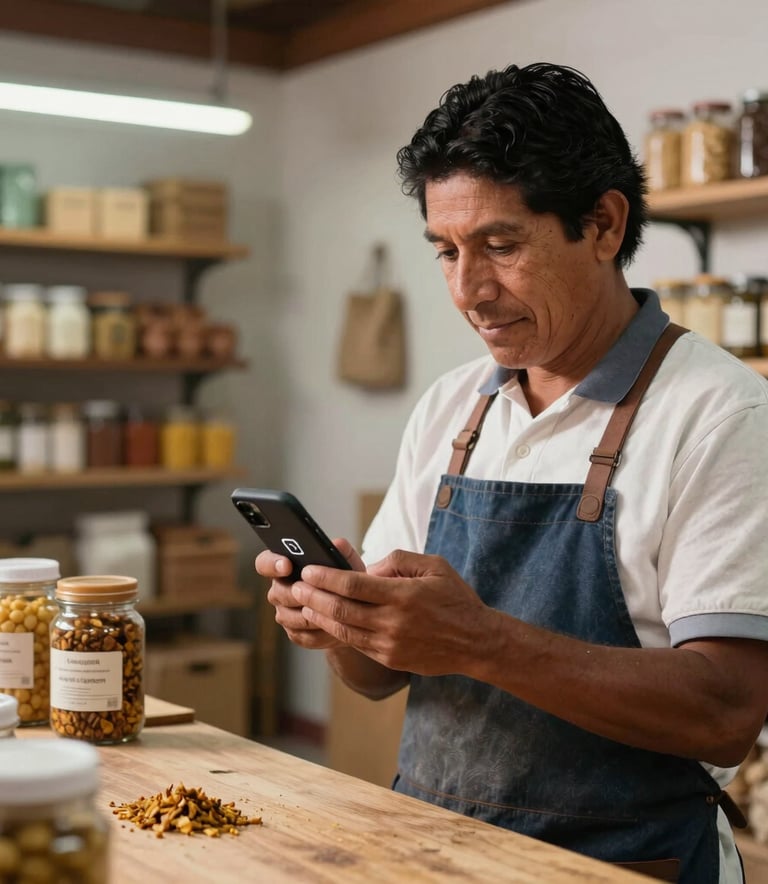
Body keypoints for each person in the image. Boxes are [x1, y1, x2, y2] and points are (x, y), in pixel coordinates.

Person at [256, 62, 768, 883]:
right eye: (447, 251)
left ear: (603, 224)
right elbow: (380, 679)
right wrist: (342, 619)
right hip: (435, 854)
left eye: (501, 245)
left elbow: (725, 712)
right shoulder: (455, 407)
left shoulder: (720, 412)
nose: (469, 290)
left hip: (629, 864)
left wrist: (481, 641)